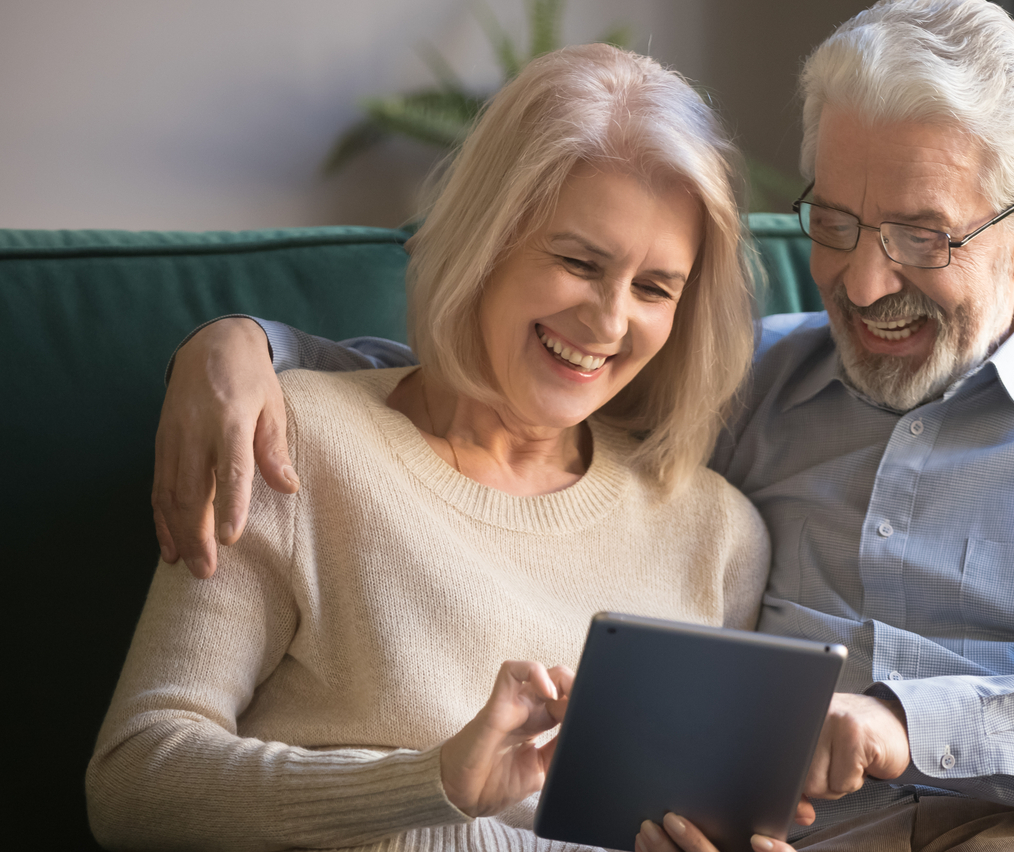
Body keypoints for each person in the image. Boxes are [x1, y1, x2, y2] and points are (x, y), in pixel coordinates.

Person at [152, 2, 1014, 851]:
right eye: (834, 220)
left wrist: (900, 724)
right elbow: (507, 378)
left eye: (921, 237)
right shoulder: (747, 382)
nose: (863, 278)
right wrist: (249, 347)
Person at [87, 43, 771, 852]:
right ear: (485, 239)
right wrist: (429, 785)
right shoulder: (291, 444)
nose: (609, 323)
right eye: (578, 262)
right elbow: (134, 782)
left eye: (654, 288)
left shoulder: (718, 536)